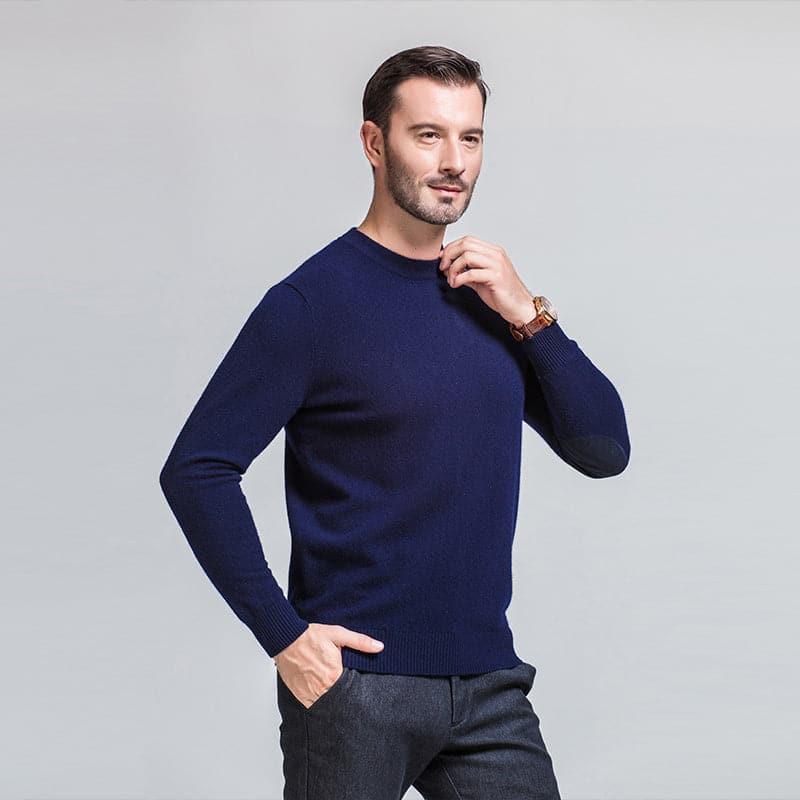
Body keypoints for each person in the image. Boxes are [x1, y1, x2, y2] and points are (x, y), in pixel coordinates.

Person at [159, 44, 630, 800]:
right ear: (374, 143)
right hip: (356, 689)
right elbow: (196, 470)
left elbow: (604, 450)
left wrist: (529, 314)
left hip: (489, 684)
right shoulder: (309, 305)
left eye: (470, 138)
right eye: (428, 135)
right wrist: (284, 637)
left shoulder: (490, 299)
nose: (454, 162)